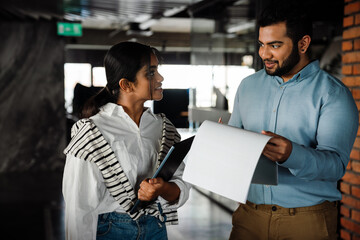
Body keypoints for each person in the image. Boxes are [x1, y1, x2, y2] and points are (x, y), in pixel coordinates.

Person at [228, 1, 359, 239]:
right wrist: (221, 140)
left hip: (306, 221)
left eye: (274, 45)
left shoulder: (333, 94)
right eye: (261, 45)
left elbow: (336, 166)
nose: (264, 54)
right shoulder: (248, 87)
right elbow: (236, 150)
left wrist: (292, 155)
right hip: (249, 216)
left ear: (303, 43)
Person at [62, 41, 191, 240]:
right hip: (110, 231)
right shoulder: (93, 131)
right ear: (125, 84)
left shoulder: (163, 127)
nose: (160, 78)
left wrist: (163, 189)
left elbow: (180, 183)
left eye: (158, 71)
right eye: (151, 73)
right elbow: (79, 208)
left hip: (156, 228)